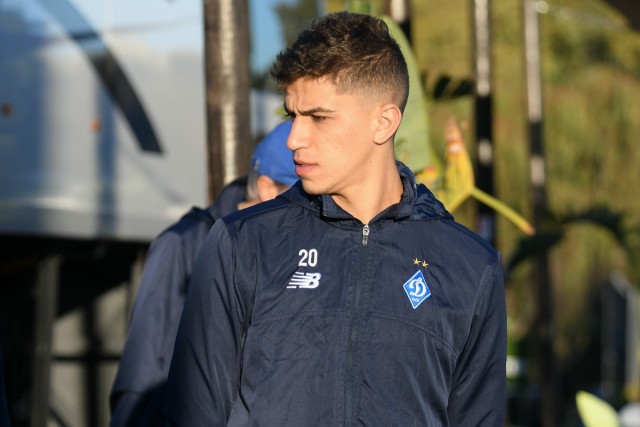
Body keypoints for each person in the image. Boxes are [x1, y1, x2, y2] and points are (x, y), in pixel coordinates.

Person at [165, 11, 506, 427]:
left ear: (384, 122)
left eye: (319, 117)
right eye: (292, 115)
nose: (294, 139)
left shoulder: (470, 266)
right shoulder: (241, 244)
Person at [109, 120, 297, 427]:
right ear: (265, 188)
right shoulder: (184, 242)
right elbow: (145, 367)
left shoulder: (296, 249)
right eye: (298, 193)